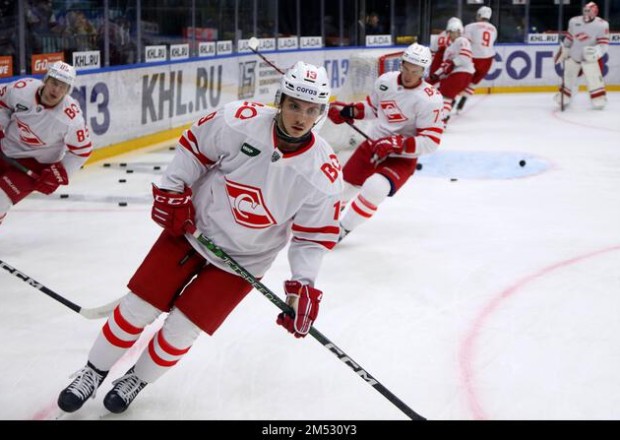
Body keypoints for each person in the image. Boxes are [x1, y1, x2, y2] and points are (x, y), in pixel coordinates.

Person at [56, 61, 343, 414]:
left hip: (244, 261)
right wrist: (173, 190)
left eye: (311, 109)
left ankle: (137, 379)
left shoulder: (323, 172)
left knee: (182, 330)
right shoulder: (239, 119)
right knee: (138, 307)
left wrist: (302, 286)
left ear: (321, 112)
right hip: (193, 229)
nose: (301, 117)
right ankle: (92, 372)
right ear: (280, 100)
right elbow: (194, 148)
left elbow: (312, 238)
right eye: (295, 105)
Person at [327, 43, 444, 241]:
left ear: (423, 71)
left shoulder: (430, 100)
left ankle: (342, 229)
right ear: (401, 64)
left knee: (376, 188)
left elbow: (431, 142)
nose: (409, 75)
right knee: (345, 188)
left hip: (401, 157)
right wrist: (349, 111)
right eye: (406, 68)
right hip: (372, 145)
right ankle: (325, 222)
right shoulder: (386, 81)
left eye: (415, 71)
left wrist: (397, 143)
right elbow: (372, 109)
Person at [0, 61, 91, 227]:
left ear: (68, 90)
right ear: (46, 79)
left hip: (35, 166)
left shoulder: (71, 119)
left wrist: (59, 173)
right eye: (54, 83)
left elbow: (82, 151)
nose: (56, 90)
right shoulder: (21, 89)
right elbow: (2, 103)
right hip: (5, 148)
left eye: (63, 87)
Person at [554, 2, 609, 110]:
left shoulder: (602, 25)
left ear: (595, 12)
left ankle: (599, 99)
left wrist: (596, 52)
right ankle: (565, 97)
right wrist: (564, 50)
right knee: (568, 78)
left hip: (590, 59)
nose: (586, 13)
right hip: (574, 56)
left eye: (589, 11)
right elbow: (569, 38)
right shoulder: (574, 21)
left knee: (594, 80)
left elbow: (604, 45)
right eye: (585, 10)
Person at [427, 17, 474, 124]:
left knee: (446, 96)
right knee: (444, 95)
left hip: (462, 73)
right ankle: (444, 117)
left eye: (452, 32)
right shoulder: (450, 47)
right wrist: (436, 74)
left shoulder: (462, 40)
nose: (450, 35)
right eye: (449, 32)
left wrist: (453, 63)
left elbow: (465, 56)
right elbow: (445, 65)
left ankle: (443, 119)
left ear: (458, 31)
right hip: (458, 74)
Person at [457, 6, 497, 111]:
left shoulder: (470, 26)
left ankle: (452, 99)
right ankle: (465, 98)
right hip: (488, 59)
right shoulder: (494, 29)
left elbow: (464, 43)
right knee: (474, 82)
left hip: (473, 57)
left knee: (461, 78)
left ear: (479, 15)